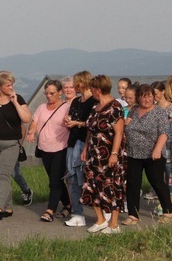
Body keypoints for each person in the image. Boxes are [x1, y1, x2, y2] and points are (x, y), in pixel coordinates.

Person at [81, 75, 126, 234]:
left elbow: (119, 133)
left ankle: (114, 223)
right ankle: (100, 219)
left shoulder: (115, 107)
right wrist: (85, 148)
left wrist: (114, 154)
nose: (90, 91)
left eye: (92, 88)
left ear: (98, 90)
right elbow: (90, 130)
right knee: (91, 184)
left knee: (111, 186)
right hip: (93, 153)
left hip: (108, 154)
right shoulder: (95, 107)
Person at [123, 84, 172, 225]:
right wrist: (126, 124)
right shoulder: (133, 110)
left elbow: (164, 133)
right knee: (132, 183)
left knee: (157, 182)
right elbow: (127, 127)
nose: (147, 99)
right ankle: (133, 215)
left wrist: (157, 149)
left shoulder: (159, 112)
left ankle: (168, 212)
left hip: (153, 154)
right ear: (138, 97)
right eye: (144, 96)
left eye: (149, 96)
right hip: (133, 153)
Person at [0, 71, 31, 220]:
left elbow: (26, 118)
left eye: (12, 84)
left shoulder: (18, 98)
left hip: (11, 144)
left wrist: (15, 102)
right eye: (8, 85)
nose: (11, 87)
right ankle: (8, 207)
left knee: (3, 174)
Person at [27, 80, 70, 223]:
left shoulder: (66, 107)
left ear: (60, 93)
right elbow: (34, 122)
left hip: (60, 148)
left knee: (55, 181)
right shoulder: (41, 107)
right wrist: (31, 132)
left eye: (52, 93)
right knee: (55, 179)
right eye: (46, 93)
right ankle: (68, 204)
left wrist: (69, 122)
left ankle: (50, 210)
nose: (49, 96)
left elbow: (72, 125)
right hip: (45, 148)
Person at [63, 71, 98, 227]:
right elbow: (74, 118)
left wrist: (77, 123)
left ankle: (98, 210)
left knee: (84, 177)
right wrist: (69, 121)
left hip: (85, 142)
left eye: (76, 83)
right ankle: (77, 212)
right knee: (72, 177)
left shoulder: (93, 101)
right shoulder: (76, 101)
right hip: (73, 141)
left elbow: (91, 124)